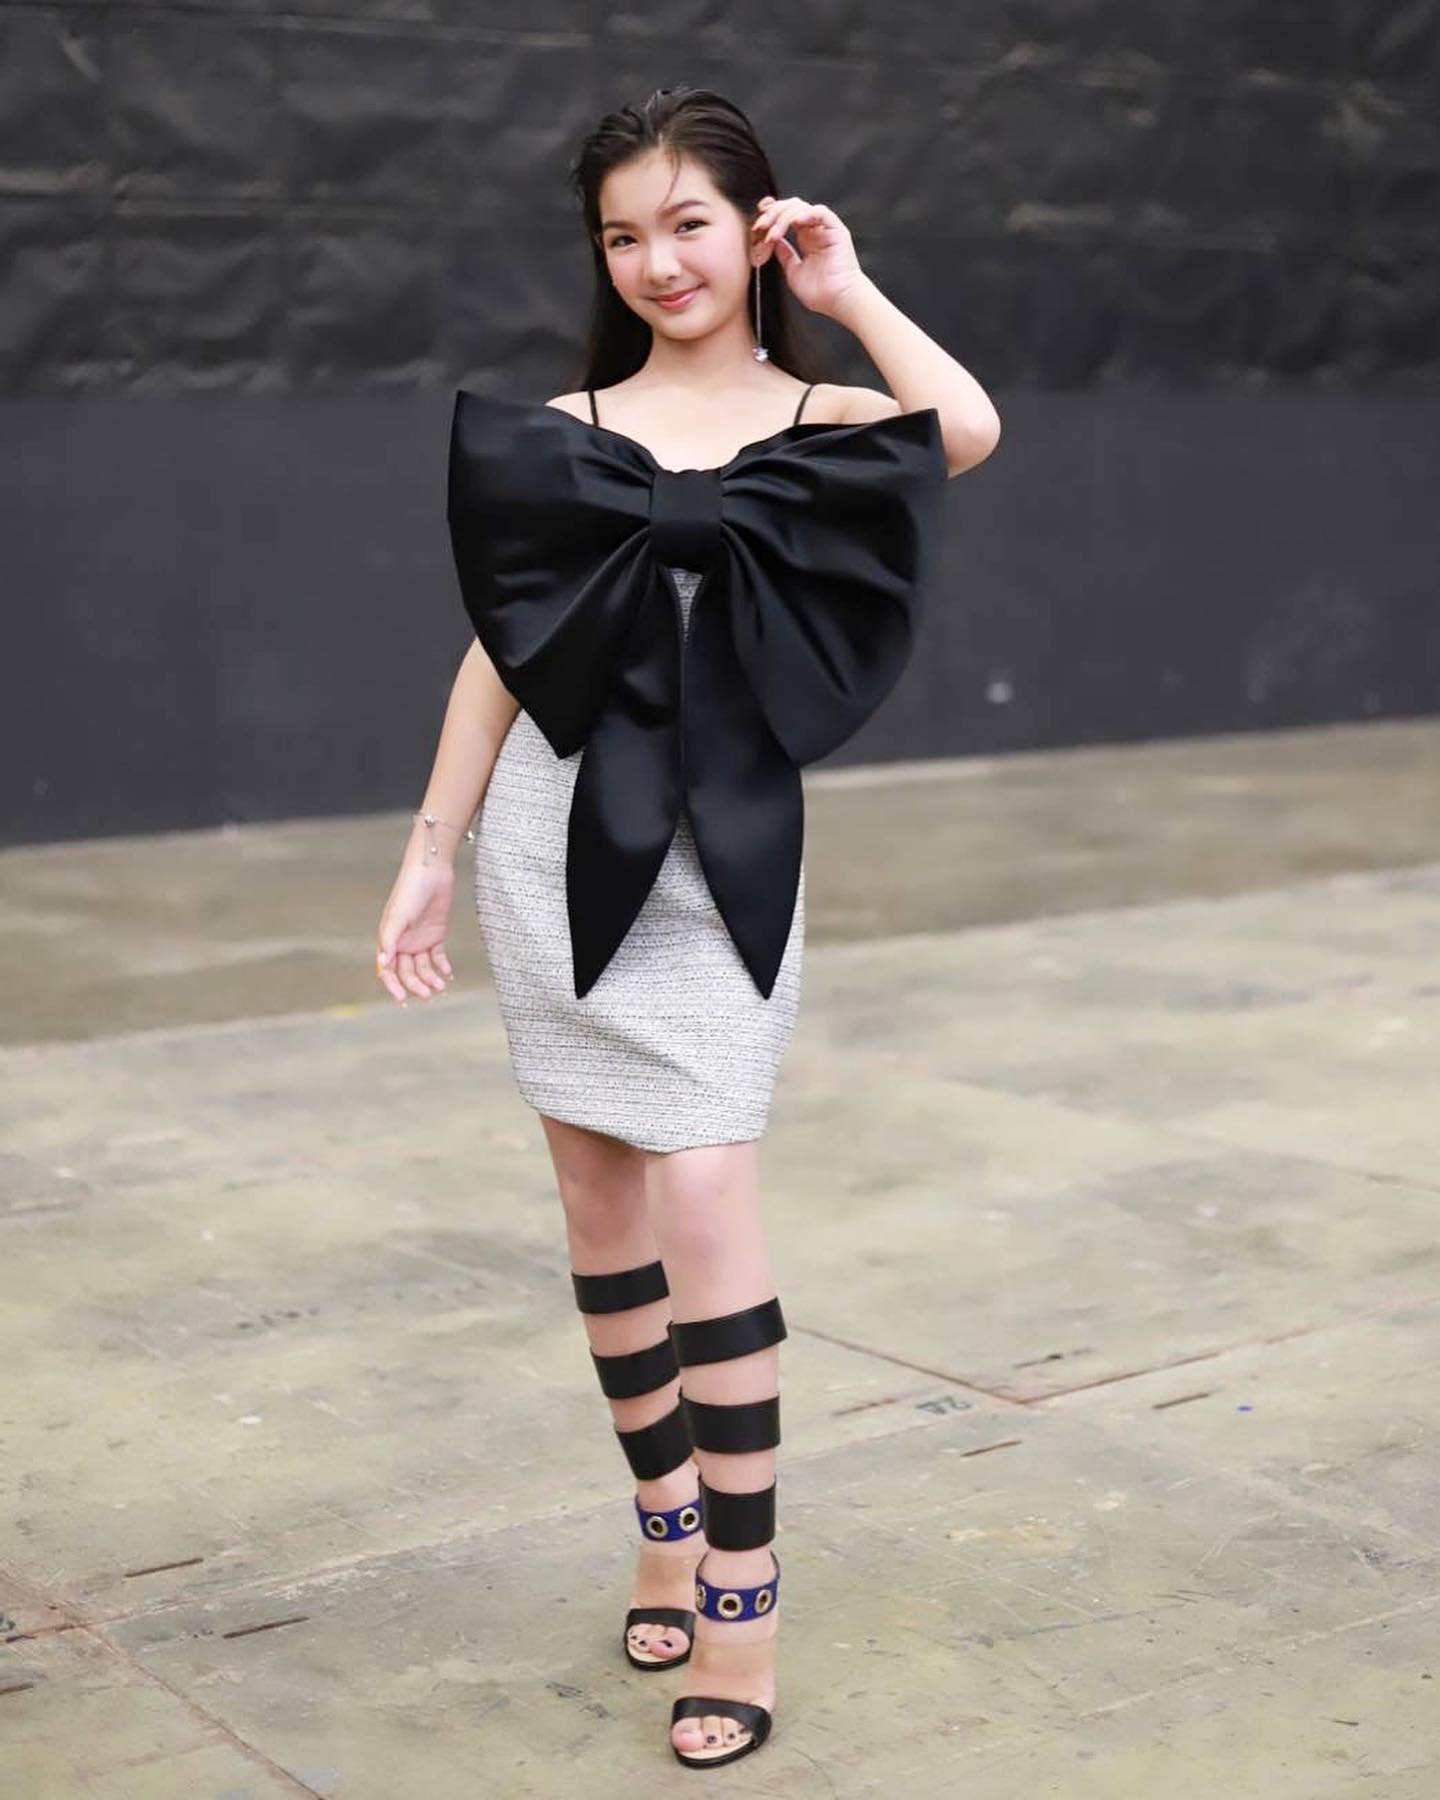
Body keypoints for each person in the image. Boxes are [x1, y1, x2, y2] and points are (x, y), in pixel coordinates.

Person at [374, 85, 1000, 1771]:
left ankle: (743, 1595)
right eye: (623, 236)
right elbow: (502, 656)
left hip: (721, 849)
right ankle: (660, 1525)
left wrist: (845, 288)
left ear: (755, 225)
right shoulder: (571, 427)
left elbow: (965, 429)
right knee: (598, 1198)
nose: (659, 262)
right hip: (554, 835)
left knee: (707, 1182)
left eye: (690, 224)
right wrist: (429, 851)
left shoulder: (827, 413)